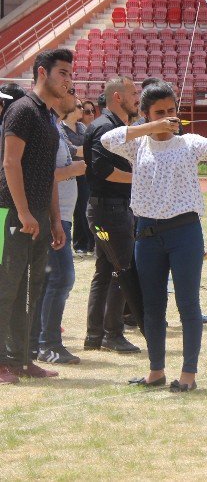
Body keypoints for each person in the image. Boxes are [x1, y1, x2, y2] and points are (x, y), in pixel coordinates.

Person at [103, 81, 207, 391]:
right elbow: (107, 139)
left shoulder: (188, 142)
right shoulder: (138, 144)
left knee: (188, 305)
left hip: (184, 234)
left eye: (172, 111)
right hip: (147, 235)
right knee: (152, 306)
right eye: (159, 113)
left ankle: (188, 374)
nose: (168, 118)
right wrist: (149, 127)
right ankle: (156, 371)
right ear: (145, 114)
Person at [0, 49, 73, 384]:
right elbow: (10, 163)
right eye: (64, 73)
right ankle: (3, 361)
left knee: (33, 289)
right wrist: (25, 212)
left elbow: (49, 174)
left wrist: (54, 220)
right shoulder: (22, 110)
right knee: (7, 289)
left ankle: (24, 358)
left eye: (71, 74)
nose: (69, 80)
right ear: (43, 73)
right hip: (13, 214)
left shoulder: (48, 117)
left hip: (40, 217)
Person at [84, 77, 143, 355]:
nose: (137, 98)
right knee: (122, 271)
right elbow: (102, 170)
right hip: (110, 210)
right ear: (117, 97)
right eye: (133, 93)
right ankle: (112, 334)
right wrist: (139, 178)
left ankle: (96, 335)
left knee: (105, 272)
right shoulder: (106, 127)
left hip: (108, 209)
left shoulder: (113, 127)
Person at [36, 93, 88, 365]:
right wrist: (74, 170)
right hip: (54, 216)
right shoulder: (48, 128)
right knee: (61, 278)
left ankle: (41, 342)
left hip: (60, 215)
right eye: (71, 95)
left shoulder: (54, 128)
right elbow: (43, 175)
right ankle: (48, 343)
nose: (77, 101)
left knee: (50, 280)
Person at [70, 99, 96, 256]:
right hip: (71, 173)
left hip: (86, 172)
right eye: (86, 111)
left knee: (86, 208)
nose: (90, 114)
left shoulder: (82, 128)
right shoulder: (63, 128)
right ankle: (80, 242)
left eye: (92, 111)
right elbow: (70, 150)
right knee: (78, 210)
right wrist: (85, 150)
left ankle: (89, 242)